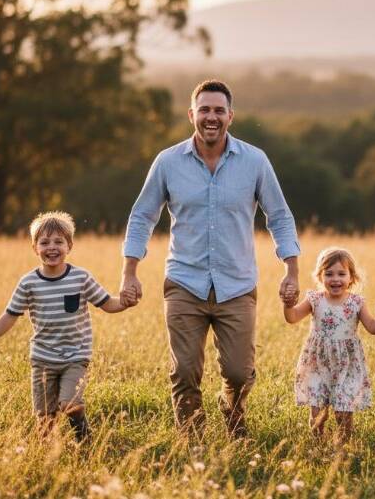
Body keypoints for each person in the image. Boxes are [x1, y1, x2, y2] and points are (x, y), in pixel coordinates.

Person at [121, 79, 300, 439]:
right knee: (185, 371)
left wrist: (291, 269)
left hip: (237, 284)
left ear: (231, 116)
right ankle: (193, 442)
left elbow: (278, 215)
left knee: (238, 372)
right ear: (192, 115)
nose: (211, 117)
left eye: (219, 110)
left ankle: (232, 410)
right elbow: (142, 216)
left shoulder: (255, 161)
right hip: (184, 283)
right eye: (204, 110)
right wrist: (130, 272)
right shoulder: (168, 162)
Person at [0, 211, 129, 441]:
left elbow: (107, 303)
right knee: (45, 418)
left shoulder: (81, 278)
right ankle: (45, 456)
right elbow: (11, 314)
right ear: (34, 248)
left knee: (70, 403)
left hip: (75, 357)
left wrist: (125, 302)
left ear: (69, 246)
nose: (52, 247)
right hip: (42, 359)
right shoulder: (28, 283)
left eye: (59, 241)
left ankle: (85, 440)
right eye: (44, 242)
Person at [283, 247, 375, 444]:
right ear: (320, 276)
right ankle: (317, 447)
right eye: (329, 274)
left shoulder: (356, 302)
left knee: (343, 413)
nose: (335, 279)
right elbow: (292, 317)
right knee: (317, 412)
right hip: (317, 363)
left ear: (351, 278)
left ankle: (342, 449)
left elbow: (373, 327)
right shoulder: (315, 299)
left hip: (346, 365)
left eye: (342, 274)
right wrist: (288, 304)